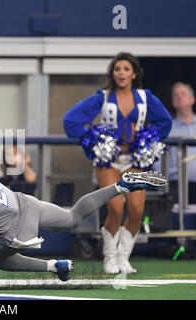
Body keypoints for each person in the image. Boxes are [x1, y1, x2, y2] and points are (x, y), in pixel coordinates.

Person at [0, 124, 168, 281]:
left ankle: (49, 264)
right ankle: (120, 186)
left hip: (14, 227)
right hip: (23, 202)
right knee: (71, 218)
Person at [63, 52, 172, 274]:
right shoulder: (102, 97)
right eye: (117, 69)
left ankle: (123, 258)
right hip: (108, 161)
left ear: (134, 74)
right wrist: (91, 140)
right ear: (113, 74)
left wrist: (147, 139)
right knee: (115, 207)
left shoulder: (145, 97)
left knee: (136, 209)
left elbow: (165, 121)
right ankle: (109, 258)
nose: (121, 73)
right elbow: (71, 120)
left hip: (134, 160)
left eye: (125, 69)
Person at [165, 82, 196, 203]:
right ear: (173, 102)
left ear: (192, 99)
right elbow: (158, 160)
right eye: (175, 95)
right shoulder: (168, 129)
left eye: (183, 93)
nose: (179, 96)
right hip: (176, 188)